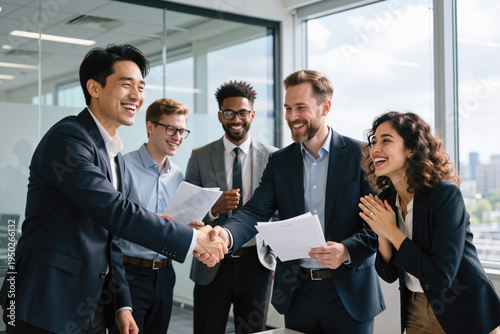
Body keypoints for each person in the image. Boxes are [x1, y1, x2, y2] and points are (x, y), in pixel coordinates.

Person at [0, 44, 225, 334]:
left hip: (91, 305)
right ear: (94, 87)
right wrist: (193, 239)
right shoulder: (68, 138)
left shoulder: (110, 153)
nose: (136, 95)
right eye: (126, 84)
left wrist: (122, 305)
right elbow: (115, 211)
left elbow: (111, 235)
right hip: (47, 299)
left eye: (141, 87)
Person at [198, 70, 386, 333]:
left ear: (325, 107)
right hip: (298, 293)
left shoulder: (361, 156)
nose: (291, 117)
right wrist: (226, 235)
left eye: (301, 108)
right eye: (288, 108)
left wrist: (345, 250)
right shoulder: (280, 162)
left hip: (350, 293)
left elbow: (380, 226)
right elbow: (254, 211)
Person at [358, 111, 500, 334]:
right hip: (415, 310)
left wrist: (392, 231)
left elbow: (441, 277)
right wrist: (383, 236)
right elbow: (388, 274)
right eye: (374, 141)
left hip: (465, 310)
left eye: (386, 140)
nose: (375, 148)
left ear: (412, 149)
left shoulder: (445, 196)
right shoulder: (386, 200)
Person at [185, 80, 277, 334]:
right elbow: (187, 211)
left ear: (252, 115)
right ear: (220, 116)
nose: (236, 119)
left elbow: (281, 211)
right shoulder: (200, 156)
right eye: (229, 113)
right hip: (211, 263)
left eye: (243, 113)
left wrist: (274, 260)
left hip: (256, 265)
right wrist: (213, 208)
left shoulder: (274, 157)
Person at [109, 98, 198, 334]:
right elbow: (112, 224)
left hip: (165, 275)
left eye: (181, 131)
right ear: (150, 127)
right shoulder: (123, 167)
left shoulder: (178, 176)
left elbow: (173, 225)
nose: (177, 136)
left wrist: (189, 228)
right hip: (130, 275)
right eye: (171, 129)